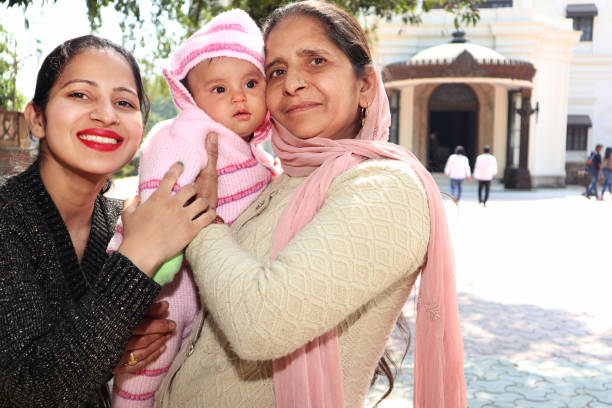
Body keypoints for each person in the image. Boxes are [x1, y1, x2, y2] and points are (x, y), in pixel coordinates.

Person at [156, 2, 466, 407]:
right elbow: (219, 299)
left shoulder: (386, 187)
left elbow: (261, 323)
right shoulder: (280, 178)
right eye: (276, 71)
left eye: (316, 61)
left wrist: (195, 220)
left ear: (365, 86)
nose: (292, 83)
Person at [0, 35, 218, 407]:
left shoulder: (125, 219)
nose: (107, 114)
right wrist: (137, 255)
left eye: (124, 102)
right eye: (80, 95)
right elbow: (29, 384)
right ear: (36, 118)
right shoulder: (9, 220)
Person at [109, 9, 276, 406]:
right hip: (168, 285)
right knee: (145, 370)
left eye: (251, 83)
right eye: (219, 89)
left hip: (215, 288)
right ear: (192, 98)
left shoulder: (258, 155)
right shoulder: (184, 133)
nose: (239, 96)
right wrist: (157, 265)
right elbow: (159, 194)